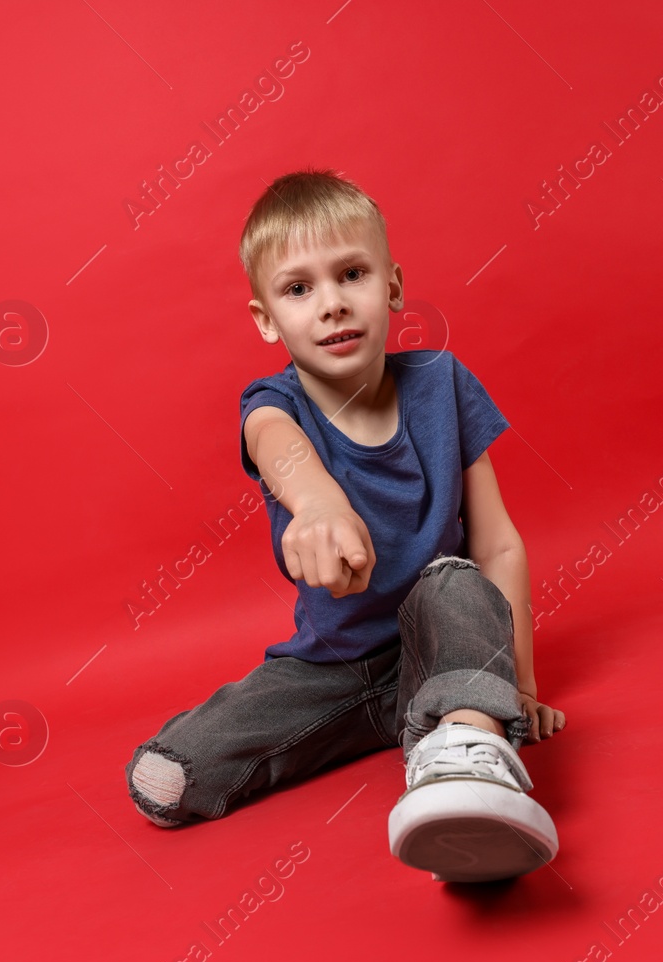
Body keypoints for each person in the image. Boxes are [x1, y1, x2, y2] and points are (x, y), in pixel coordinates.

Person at [123, 168, 567, 882]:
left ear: (391, 286)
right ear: (267, 319)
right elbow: (277, 446)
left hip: (441, 633)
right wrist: (319, 504)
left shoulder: (444, 384)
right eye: (299, 290)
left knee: (453, 580)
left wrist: (519, 681)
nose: (331, 305)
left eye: (351, 274)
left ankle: (468, 753)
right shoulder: (273, 404)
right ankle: (407, 718)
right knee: (166, 780)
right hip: (330, 668)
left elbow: (499, 543)